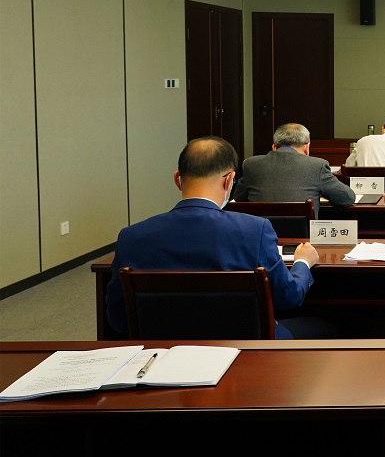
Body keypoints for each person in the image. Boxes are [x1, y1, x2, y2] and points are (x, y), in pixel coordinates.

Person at [106, 137, 321, 340]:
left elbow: (118, 319)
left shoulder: (131, 237)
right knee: (325, 326)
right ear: (229, 181)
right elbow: (288, 296)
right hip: (245, 351)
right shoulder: (255, 230)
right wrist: (302, 262)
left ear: (177, 179)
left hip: (163, 353)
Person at [233, 123, 354, 215]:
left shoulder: (251, 164)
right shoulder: (317, 165)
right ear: (307, 147)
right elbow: (346, 198)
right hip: (302, 237)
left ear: (274, 147)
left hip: (260, 234)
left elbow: (239, 199)